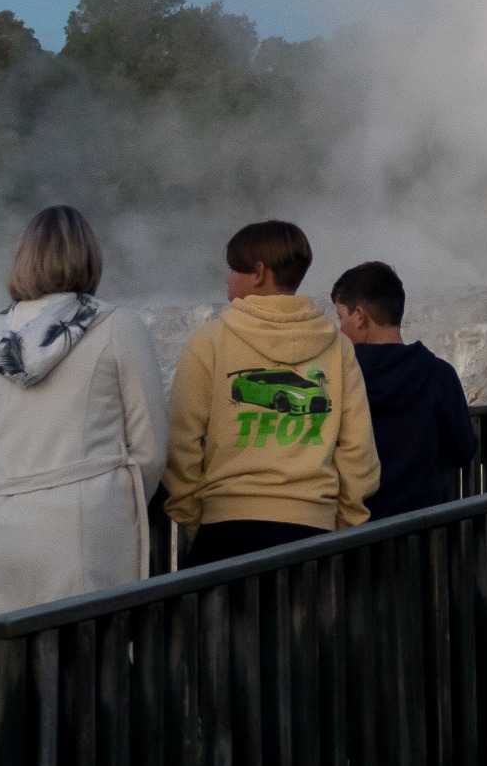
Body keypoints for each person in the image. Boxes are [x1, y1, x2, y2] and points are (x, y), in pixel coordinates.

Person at [0, 205, 169, 619]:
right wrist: (114, 501)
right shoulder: (116, 327)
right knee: (87, 664)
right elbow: (150, 448)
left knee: (8, 668)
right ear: (89, 258)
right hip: (85, 527)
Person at [162, 219, 384, 569]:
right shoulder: (337, 349)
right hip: (313, 530)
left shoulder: (210, 342)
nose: (227, 278)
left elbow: (180, 445)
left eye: (234, 269)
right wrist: (341, 525)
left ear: (259, 273)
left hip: (225, 531)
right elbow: (358, 452)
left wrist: (195, 519)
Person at [330, 260, 478, 521]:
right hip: (425, 530)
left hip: (354, 531)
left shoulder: (336, 376)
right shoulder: (438, 374)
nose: (340, 328)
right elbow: (462, 450)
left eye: (341, 317)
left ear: (360, 316)